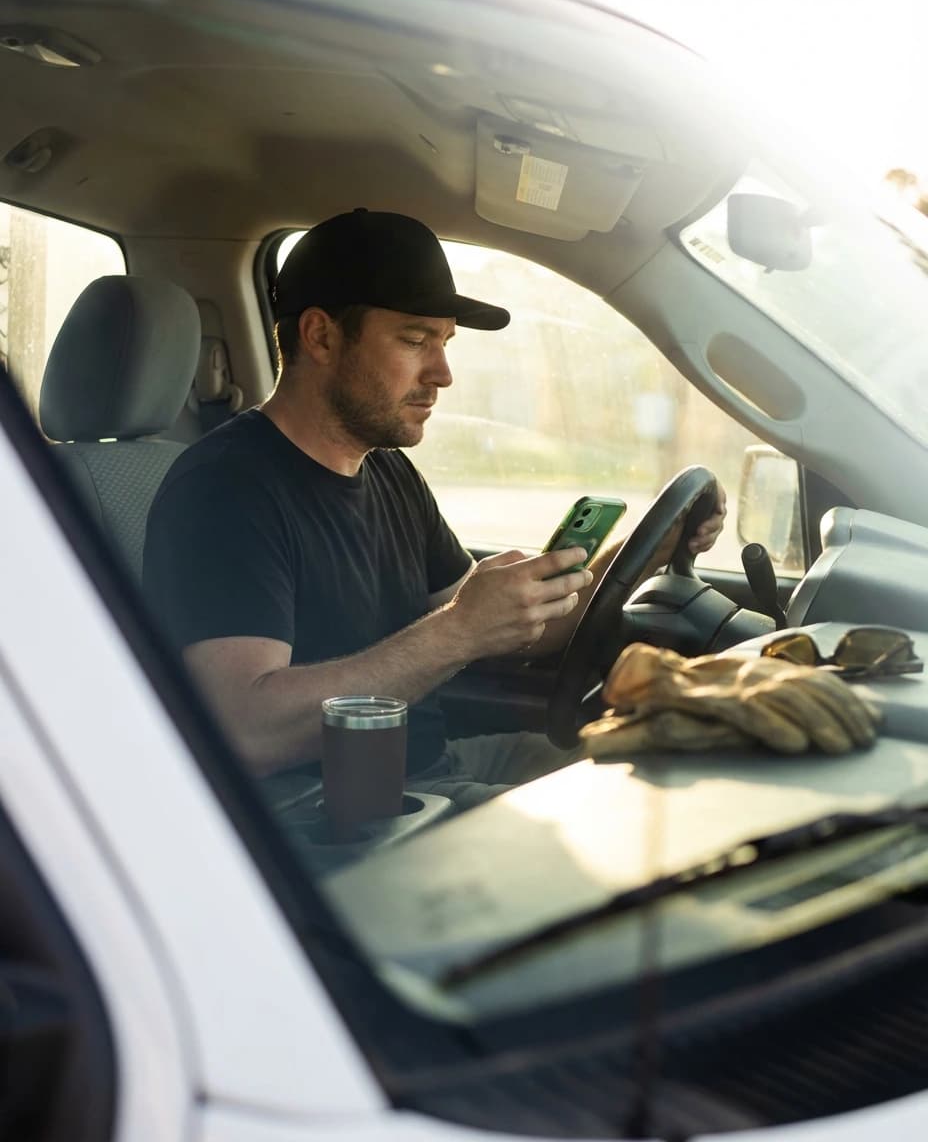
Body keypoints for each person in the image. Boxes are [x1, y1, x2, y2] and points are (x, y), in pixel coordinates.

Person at [143, 209, 725, 811]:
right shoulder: (227, 488)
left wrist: (644, 552)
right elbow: (244, 730)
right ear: (321, 337)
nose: (443, 373)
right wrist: (460, 629)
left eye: (445, 343)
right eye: (415, 340)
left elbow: (508, 631)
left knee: (676, 782)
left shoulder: (385, 468)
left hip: (430, 769)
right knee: (629, 822)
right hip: (338, 808)